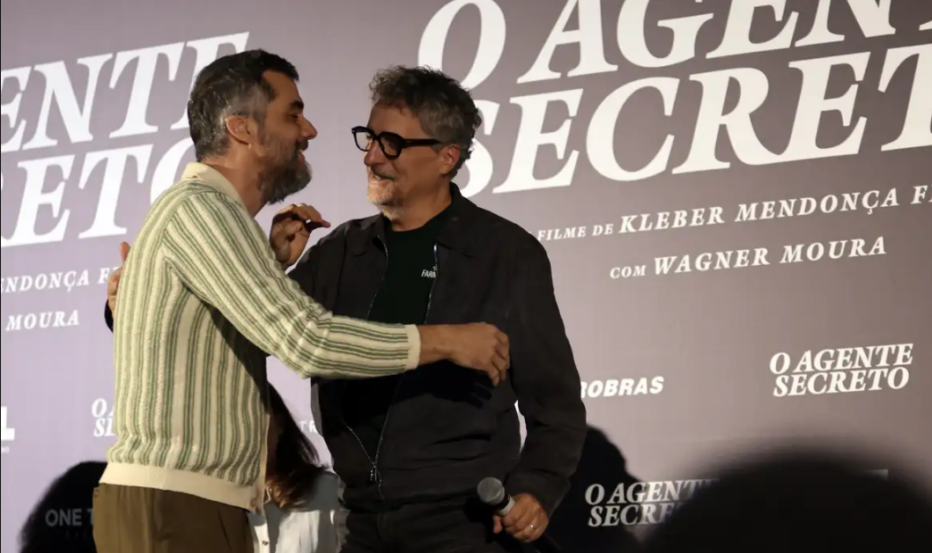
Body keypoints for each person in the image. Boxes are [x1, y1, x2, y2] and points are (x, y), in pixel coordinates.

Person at [92, 50, 511, 553]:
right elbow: (307, 341)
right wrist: (445, 341)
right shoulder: (202, 210)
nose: (308, 130)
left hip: (194, 501)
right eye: (292, 114)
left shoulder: (216, 216)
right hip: (175, 503)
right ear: (243, 129)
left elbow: (218, 330)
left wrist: (267, 266)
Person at [274, 66, 588, 551]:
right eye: (370, 139)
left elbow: (556, 404)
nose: (372, 157)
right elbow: (270, 333)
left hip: (464, 523)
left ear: (447, 157)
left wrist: (538, 486)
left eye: (392, 144)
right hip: (360, 523)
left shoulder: (505, 253)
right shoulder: (339, 251)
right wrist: (273, 265)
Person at [249, 385, 345, 553]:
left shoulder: (328, 492)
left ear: (279, 423)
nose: (244, 431)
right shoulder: (212, 506)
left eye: (253, 416)